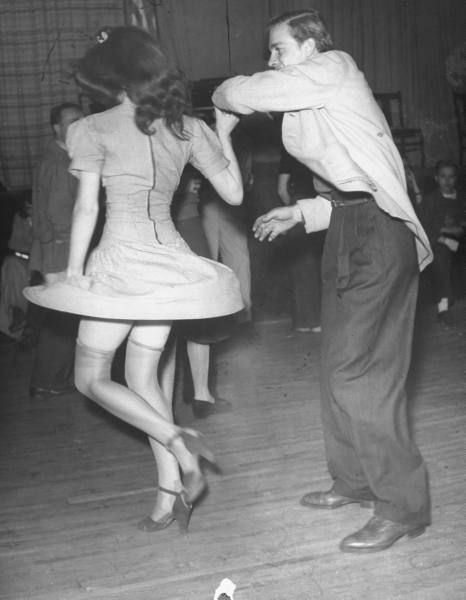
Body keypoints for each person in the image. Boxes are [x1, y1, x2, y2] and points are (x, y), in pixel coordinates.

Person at [213, 9, 432, 552]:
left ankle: (403, 507)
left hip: (381, 233)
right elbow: (349, 182)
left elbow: (242, 93)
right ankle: (356, 481)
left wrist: (221, 94)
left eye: (279, 48)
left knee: (362, 374)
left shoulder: (336, 66)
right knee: (337, 365)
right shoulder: (313, 97)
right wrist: (303, 212)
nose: (271, 59)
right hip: (350, 227)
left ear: (310, 47)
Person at [25, 26, 244, 533]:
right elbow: (232, 193)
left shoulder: (92, 128)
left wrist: (77, 277)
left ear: (113, 78)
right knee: (144, 379)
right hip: (169, 264)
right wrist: (226, 134)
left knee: (90, 378)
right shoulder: (188, 126)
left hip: (120, 263)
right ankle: (169, 494)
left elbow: (86, 208)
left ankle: (175, 438)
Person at [29, 103, 84, 399]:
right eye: (72, 121)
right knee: (62, 318)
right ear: (56, 127)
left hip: (56, 247)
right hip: (60, 248)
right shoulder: (57, 162)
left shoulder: (60, 156)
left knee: (60, 317)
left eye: (81, 120)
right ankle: (49, 379)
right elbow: (58, 214)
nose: (78, 125)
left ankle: (49, 377)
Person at [172, 167, 234, 419]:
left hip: (166, 223)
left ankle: (193, 393)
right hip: (184, 222)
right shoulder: (180, 133)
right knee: (201, 310)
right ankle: (199, 393)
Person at [278, 147, 324, 333]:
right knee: (312, 267)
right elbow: (281, 190)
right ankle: (313, 320)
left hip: (301, 208)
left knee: (303, 268)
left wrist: (295, 207)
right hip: (316, 207)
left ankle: (304, 321)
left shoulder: (289, 151)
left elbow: (281, 190)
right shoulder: (318, 149)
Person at [418, 160, 464, 324]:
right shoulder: (431, 200)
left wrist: (458, 229)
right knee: (441, 258)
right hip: (436, 239)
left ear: (456, 178)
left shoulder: (460, 197)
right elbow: (423, 225)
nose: (447, 181)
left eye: (451, 177)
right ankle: (443, 307)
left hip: (458, 238)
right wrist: (444, 236)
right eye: (443, 176)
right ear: (436, 178)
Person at [0, 194, 33, 340]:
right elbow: (14, 244)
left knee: (12, 267)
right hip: (17, 259)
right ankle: (14, 315)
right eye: (26, 207)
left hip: (36, 262)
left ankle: (16, 314)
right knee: (10, 266)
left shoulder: (46, 220)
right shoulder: (20, 217)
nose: (29, 209)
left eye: (31, 207)